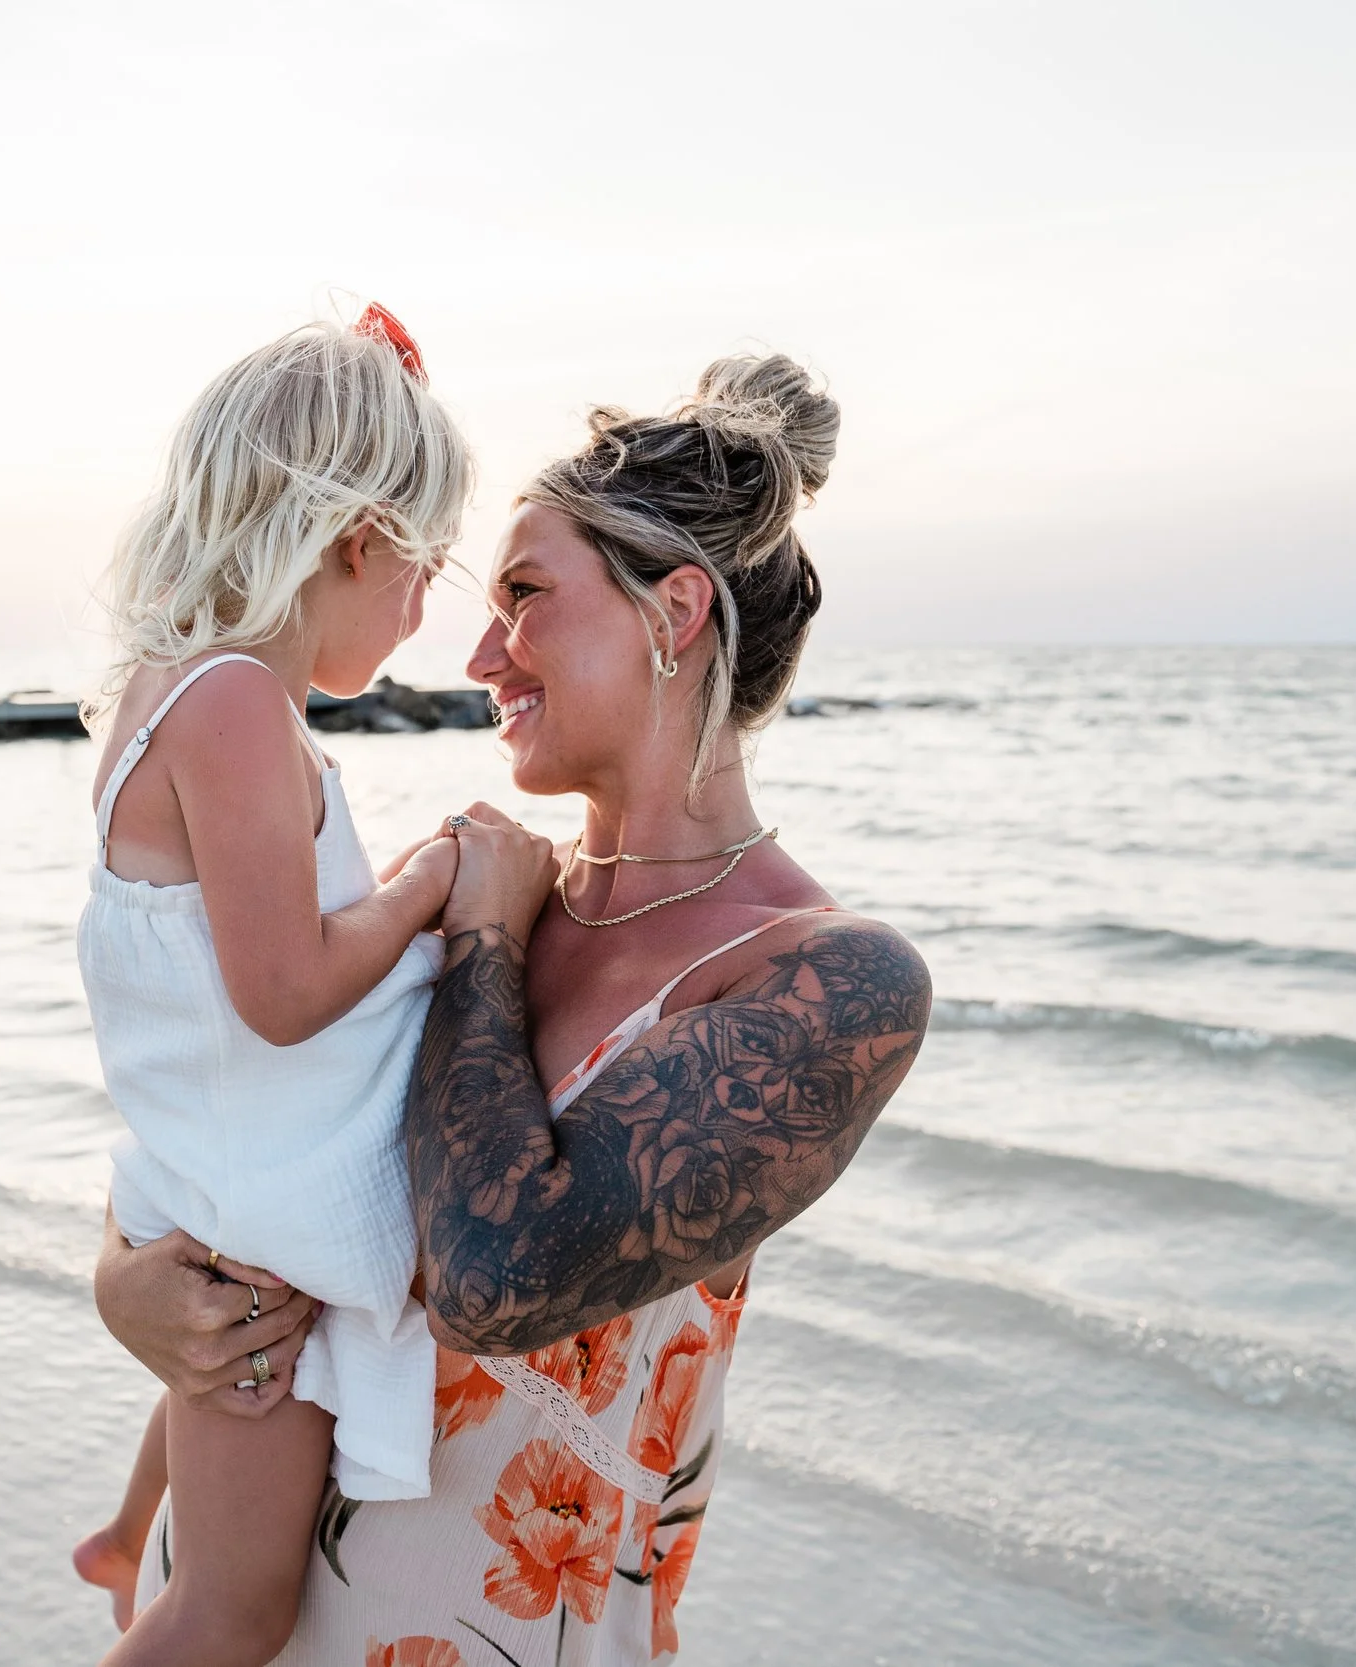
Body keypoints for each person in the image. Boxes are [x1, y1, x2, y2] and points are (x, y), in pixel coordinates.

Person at [93, 352, 933, 1663]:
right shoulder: (479, 888)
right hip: (233, 1593)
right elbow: (242, 1115)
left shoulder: (828, 978)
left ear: (674, 613)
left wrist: (482, 936)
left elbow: (495, 1279)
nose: (481, 653)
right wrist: (126, 1284)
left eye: (524, 597)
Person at [70, 306, 477, 1666]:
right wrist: (427, 885)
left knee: (213, 1529)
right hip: (259, 1232)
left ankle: (124, 1532)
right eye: (426, 568)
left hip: (214, 1170)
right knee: (232, 1611)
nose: (423, 610)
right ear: (357, 540)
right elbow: (283, 992)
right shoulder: (240, 704)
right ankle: (136, 1547)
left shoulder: (180, 688)